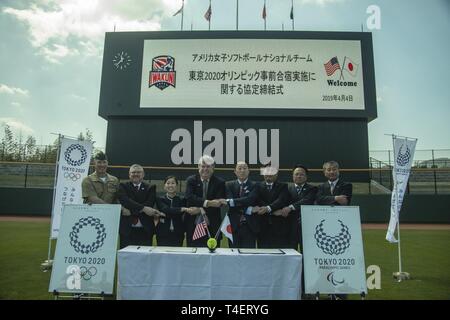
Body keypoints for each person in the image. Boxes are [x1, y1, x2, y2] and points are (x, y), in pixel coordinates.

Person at [316, 160, 352, 300]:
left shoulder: (347, 185)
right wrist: (335, 198)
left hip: (340, 229)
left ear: (338, 170)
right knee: (326, 262)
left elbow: (346, 201)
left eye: (334, 169)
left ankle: (340, 293)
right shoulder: (321, 186)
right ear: (324, 172)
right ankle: (328, 291)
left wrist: (327, 199)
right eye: (328, 170)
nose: (331, 172)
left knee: (340, 262)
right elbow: (318, 199)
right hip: (325, 229)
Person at [117, 164, 164, 249]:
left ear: (143, 174)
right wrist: (144, 209)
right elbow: (125, 201)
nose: (136, 174)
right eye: (133, 172)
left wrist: (131, 209)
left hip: (145, 229)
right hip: (127, 230)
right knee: (126, 258)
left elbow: (149, 204)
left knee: (144, 259)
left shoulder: (151, 187)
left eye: (138, 172)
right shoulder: (123, 186)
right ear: (129, 175)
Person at [185, 155, 226, 247]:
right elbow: (190, 198)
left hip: (213, 225)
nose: (205, 169)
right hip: (193, 224)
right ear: (198, 167)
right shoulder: (191, 180)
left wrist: (200, 209)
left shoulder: (220, 182)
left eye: (208, 166)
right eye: (203, 166)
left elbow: (219, 203)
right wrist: (209, 203)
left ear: (213, 168)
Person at [278, 164, 317, 251]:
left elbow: (307, 200)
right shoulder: (286, 188)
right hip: (289, 226)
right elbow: (282, 202)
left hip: (306, 227)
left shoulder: (313, 189)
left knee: (307, 252)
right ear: (293, 176)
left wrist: (290, 207)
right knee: (291, 253)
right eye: (296, 174)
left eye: (301, 174)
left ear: (306, 177)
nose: (299, 176)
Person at [220, 161, 259, 248]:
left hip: (250, 226)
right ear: (235, 171)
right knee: (233, 255)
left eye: (245, 168)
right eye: (240, 168)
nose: (242, 171)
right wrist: (249, 209)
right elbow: (230, 205)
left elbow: (250, 200)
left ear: (249, 171)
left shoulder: (255, 185)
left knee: (249, 255)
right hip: (233, 226)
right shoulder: (228, 185)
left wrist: (232, 201)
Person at [252, 165, 289, 249]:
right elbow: (257, 200)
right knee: (263, 252)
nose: (268, 175)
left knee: (278, 252)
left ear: (276, 174)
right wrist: (270, 210)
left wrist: (268, 208)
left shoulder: (283, 186)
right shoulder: (257, 186)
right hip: (262, 225)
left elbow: (281, 200)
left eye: (271, 173)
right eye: (266, 173)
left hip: (278, 226)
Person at [156, 176, 191, 247]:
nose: (170, 185)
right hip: (162, 233)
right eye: (168, 183)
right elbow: (165, 209)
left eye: (173, 183)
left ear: (177, 186)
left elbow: (173, 214)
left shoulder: (182, 200)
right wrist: (182, 209)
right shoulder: (160, 199)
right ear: (164, 186)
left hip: (178, 233)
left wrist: (167, 213)